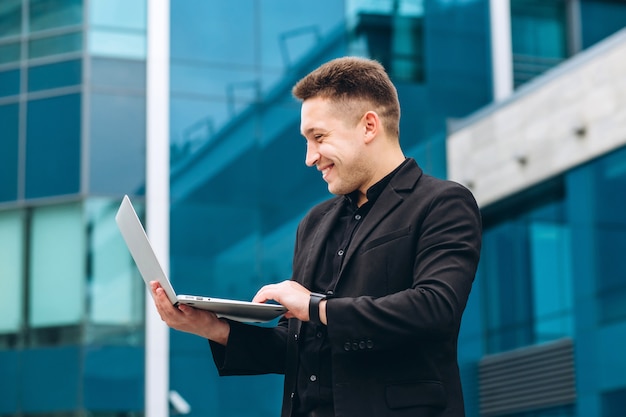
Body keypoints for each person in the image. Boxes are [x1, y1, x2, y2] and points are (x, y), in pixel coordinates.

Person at [151, 56, 482, 417]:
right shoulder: (314, 223)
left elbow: (435, 309)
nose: (310, 158)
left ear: (369, 126)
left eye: (319, 137)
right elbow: (299, 345)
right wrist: (212, 328)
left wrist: (314, 307)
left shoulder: (443, 203)